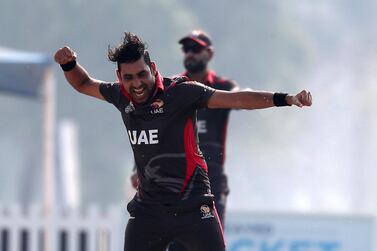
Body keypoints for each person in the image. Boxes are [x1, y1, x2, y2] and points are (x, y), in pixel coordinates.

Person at [54, 32, 312, 251]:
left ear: (153, 69)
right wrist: (69, 65)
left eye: (142, 74)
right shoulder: (121, 96)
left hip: (193, 208)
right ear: (120, 77)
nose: (137, 84)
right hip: (149, 212)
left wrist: (285, 98)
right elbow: (84, 83)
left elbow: (237, 99)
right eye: (129, 78)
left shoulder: (182, 93)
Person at [167, 30, 238, 251]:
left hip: (212, 182)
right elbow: (158, 129)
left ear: (209, 53)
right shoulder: (172, 87)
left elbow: (242, 96)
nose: (190, 53)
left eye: (195, 49)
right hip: (177, 182)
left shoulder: (223, 86)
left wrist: (274, 99)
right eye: (186, 49)